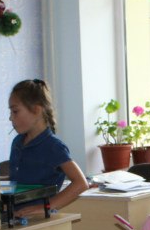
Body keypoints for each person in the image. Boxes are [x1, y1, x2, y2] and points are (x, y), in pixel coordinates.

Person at [7, 79, 89, 218]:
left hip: (40, 220)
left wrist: (44, 207)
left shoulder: (53, 147)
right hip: (16, 217)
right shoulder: (17, 142)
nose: (10, 118)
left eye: (15, 111)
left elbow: (81, 183)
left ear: (37, 110)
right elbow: (20, 180)